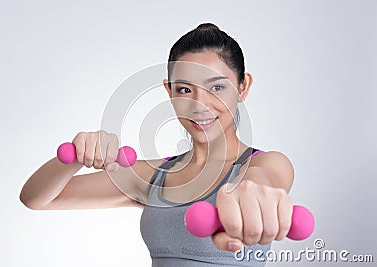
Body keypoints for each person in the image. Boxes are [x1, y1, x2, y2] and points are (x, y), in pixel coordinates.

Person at [20, 23, 294, 266]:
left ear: (243, 86)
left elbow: (264, 181)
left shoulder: (263, 165)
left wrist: (250, 195)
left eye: (217, 87)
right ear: (169, 91)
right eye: (185, 89)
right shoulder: (154, 177)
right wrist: (76, 156)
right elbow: (37, 198)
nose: (199, 105)